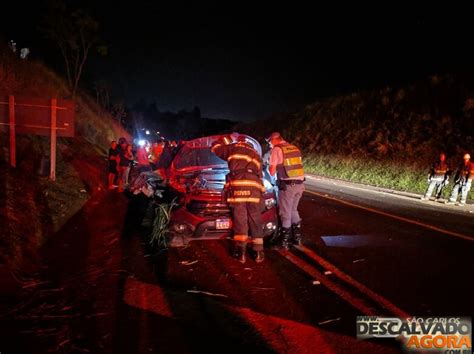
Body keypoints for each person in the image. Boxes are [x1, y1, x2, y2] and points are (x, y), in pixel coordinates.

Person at [211, 134, 265, 263]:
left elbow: (215, 147)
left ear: (238, 142)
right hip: (255, 188)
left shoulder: (233, 148)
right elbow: (260, 174)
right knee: (255, 218)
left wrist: (227, 138)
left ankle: (241, 253)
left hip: (239, 186)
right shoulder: (256, 154)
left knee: (240, 218)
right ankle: (258, 252)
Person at [267, 132, 305, 249]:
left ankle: (284, 242)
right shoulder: (294, 147)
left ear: (274, 140)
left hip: (288, 186)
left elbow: (272, 171)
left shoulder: (277, 149)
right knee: (293, 210)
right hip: (300, 184)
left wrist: (268, 166)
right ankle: (297, 239)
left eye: (269, 142)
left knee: (285, 213)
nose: (269, 145)